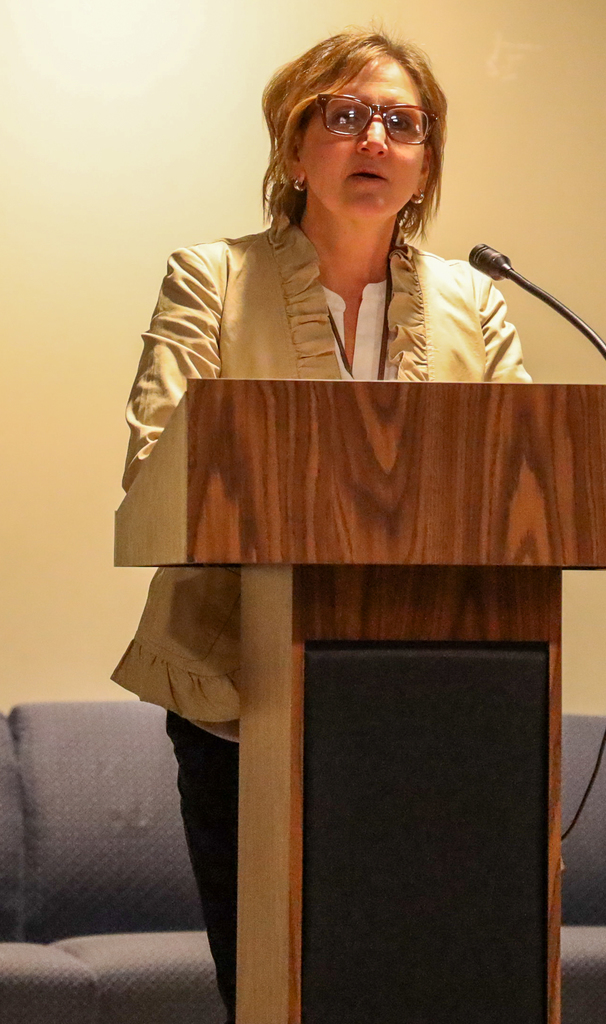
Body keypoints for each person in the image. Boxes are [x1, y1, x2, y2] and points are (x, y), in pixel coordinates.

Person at [112, 27, 530, 1023]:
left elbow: (529, 485)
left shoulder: (476, 303)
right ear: (294, 149)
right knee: (271, 987)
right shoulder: (211, 279)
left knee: (415, 986)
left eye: (401, 123)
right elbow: (159, 469)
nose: (374, 139)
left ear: (424, 162)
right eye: (344, 116)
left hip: (429, 699)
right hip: (239, 695)